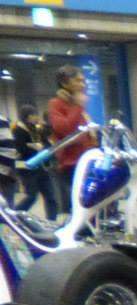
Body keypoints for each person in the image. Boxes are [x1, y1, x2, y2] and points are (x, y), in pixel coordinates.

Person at [46, 65, 94, 218]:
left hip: (88, 161)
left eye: (83, 81)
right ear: (64, 83)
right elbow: (65, 130)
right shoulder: (56, 104)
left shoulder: (78, 106)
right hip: (71, 165)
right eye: (78, 81)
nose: (83, 84)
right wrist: (78, 106)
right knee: (80, 208)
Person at [12, 107, 55, 216]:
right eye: (33, 114)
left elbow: (46, 143)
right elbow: (21, 148)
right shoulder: (18, 130)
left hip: (41, 167)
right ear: (27, 116)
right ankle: (15, 214)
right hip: (27, 168)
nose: (36, 117)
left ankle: (52, 221)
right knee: (31, 196)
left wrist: (43, 147)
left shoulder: (37, 129)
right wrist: (35, 148)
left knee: (51, 197)